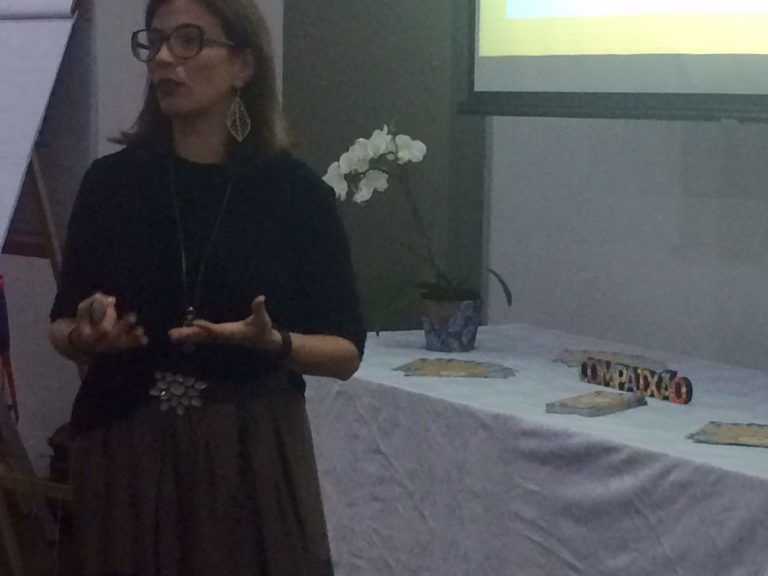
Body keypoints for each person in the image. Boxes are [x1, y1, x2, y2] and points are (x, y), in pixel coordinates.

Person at [48, 0, 366, 574]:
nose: (165, 58)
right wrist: (88, 334)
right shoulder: (110, 184)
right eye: (155, 41)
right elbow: (61, 324)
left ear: (243, 64)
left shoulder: (296, 195)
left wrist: (274, 344)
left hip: (247, 455)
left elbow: (345, 351)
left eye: (189, 40)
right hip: (123, 446)